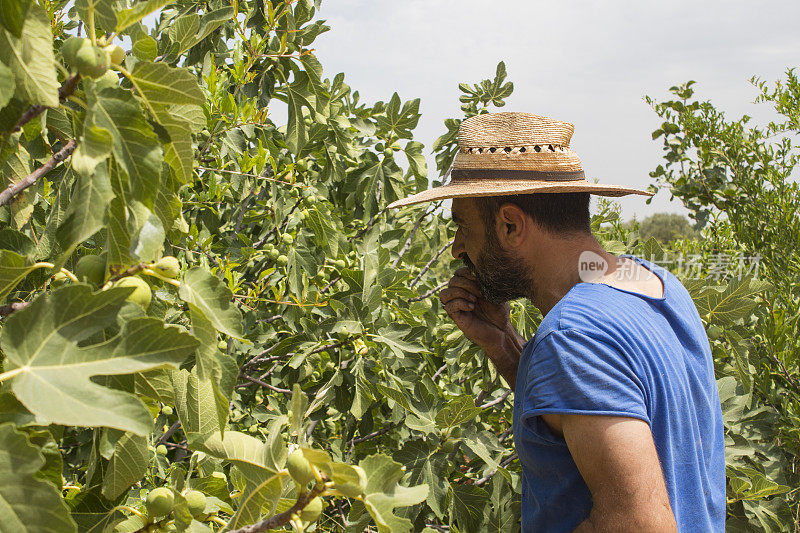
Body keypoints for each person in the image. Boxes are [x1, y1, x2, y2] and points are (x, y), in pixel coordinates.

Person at [388, 112, 725, 532]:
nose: (457, 249)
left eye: (462, 226)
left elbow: (640, 525)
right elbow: (588, 411)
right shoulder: (656, 283)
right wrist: (506, 346)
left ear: (510, 225)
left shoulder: (574, 340)